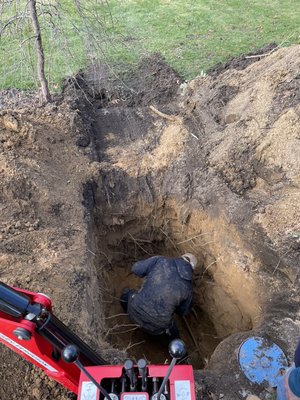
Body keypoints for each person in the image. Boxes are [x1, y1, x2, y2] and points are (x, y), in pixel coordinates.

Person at [120, 253, 197, 340]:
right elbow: (183, 312)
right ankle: (176, 348)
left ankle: (124, 311)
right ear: (191, 270)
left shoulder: (160, 260)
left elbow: (136, 269)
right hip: (156, 328)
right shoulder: (188, 288)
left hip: (133, 311)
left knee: (127, 293)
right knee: (174, 335)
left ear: (181, 257)